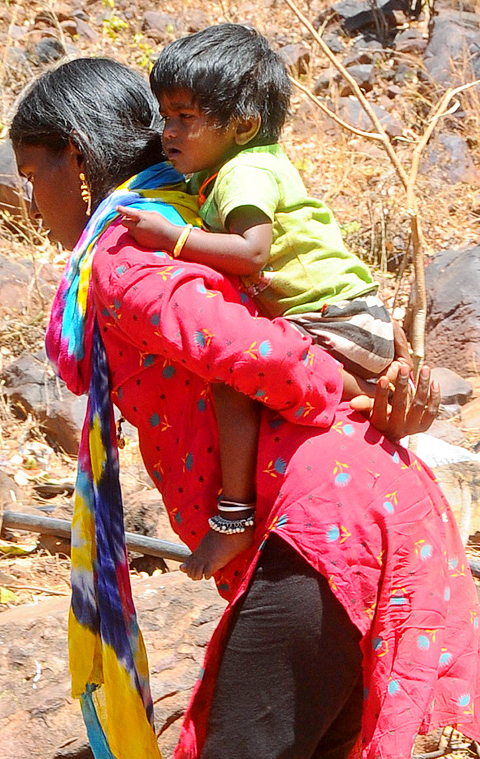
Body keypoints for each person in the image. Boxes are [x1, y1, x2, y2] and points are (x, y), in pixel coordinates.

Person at [10, 57, 480, 759]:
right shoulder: (179, 224)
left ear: (75, 159)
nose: (28, 195)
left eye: (31, 170)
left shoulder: (127, 257)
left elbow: (256, 353)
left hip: (321, 513)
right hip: (362, 501)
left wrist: (358, 387)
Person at [117, 24, 398, 579]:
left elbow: (251, 251)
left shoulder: (242, 172)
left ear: (242, 125)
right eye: (164, 115)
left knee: (234, 373)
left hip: (339, 322)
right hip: (356, 317)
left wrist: (166, 237)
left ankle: (234, 516)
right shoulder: (244, 165)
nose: (167, 131)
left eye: (184, 117)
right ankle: (364, 390)